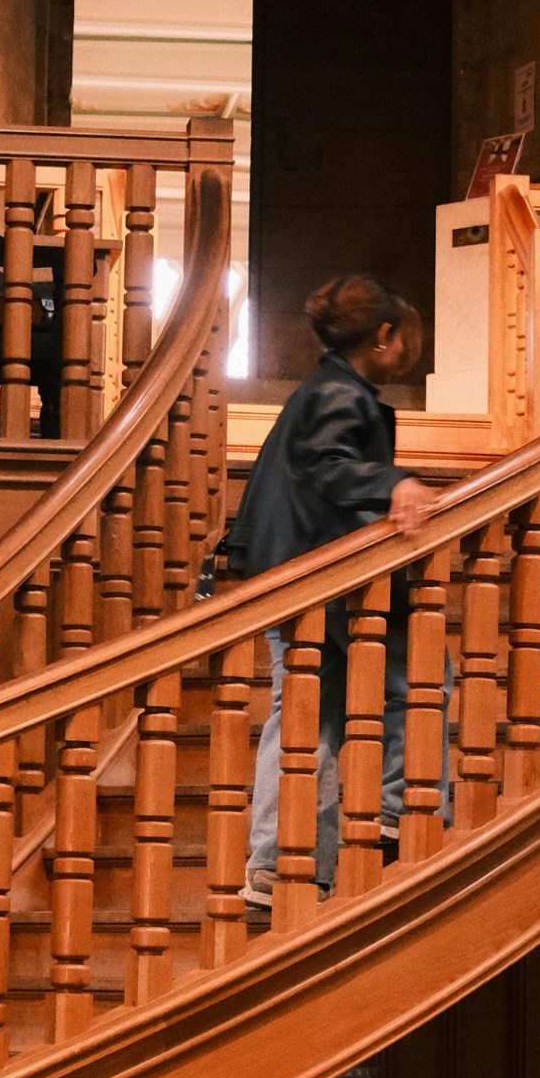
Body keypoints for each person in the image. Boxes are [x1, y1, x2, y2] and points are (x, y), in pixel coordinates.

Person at [221, 275, 438, 908]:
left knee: (308, 719)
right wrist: (394, 483)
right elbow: (327, 464)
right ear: (385, 335)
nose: (409, 349)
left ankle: (281, 863)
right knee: (411, 679)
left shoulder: (322, 390)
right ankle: (395, 809)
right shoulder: (340, 394)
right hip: (313, 582)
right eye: (407, 336)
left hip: (297, 579)